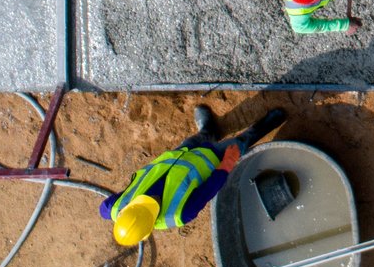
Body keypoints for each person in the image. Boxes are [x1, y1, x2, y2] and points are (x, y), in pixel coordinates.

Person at [102, 105, 286, 247]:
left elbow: (104, 209)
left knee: (195, 140)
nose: (151, 198)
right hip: (209, 161)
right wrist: (227, 163)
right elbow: (209, 189)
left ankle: (208, 131)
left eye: (143, 200)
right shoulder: (181, 213)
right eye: (153, 203)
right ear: (151, 226)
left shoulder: (116, 208)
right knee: (239, 143)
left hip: (178, 155)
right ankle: (267, 124)